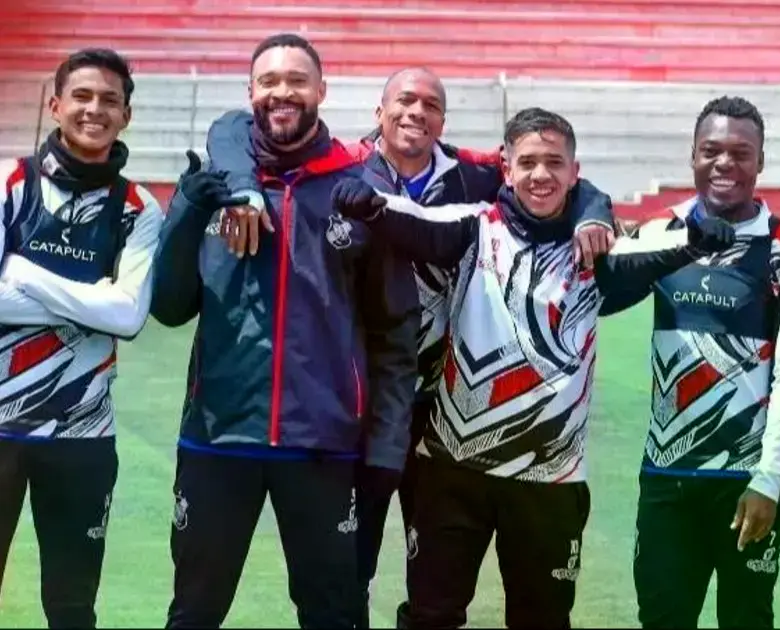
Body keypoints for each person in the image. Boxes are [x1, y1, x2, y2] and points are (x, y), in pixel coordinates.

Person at [202, 66, 615, 628]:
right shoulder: (345, 166)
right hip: (361, 405)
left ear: (443, 121)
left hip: (443, 416)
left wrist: (593, 211)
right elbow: (230, 130)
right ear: (379, 112)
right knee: (351, 564)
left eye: (430, 104)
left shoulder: (472, 179)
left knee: (434, 587)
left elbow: (564, 176)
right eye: (403, 100)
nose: (415, 113)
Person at [330, 106, 736, 629]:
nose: (540, 174)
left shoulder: (598, 252)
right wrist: (370, 206)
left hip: (550, 481)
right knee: (430, 616)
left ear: (574, 170)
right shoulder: (475, 228)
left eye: (553, 163)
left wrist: (701, 239)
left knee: (541, 620)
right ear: (507, 167)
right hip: (452, 471)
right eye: (527, 162)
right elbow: (416, 219)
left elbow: (658, 248)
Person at [150, 33, 415, 629]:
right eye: (269, 81)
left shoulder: (360, 191)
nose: (282, 92)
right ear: (251, 94)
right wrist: (192, 211)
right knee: (194, 612)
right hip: (218, 438)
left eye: (297, 80)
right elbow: (169, 307)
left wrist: (386, 444)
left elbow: (395, 333)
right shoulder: (214, 186)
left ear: (321, 90)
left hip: (322, 442)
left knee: (335, 614)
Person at [594, 96, 780, 629]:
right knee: (663, 618)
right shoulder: (659, 233)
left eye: (741, 153)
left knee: (746, 619)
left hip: (747, 482)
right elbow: (599, 291)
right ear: (692, 157)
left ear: (760, 162)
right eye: (711, 151)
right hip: (667, 477)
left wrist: (769, 479)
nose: (725, 164)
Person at [0, 47, 164, 629]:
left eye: (110, 101)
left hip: (82, 434)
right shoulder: (8, 183)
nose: (95, 109)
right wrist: (90, 296)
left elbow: (126, 316)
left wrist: (23, 273)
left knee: (71, 607)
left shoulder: (139, 209)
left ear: (127, 115)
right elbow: (107, 305)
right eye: (82, 96)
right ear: (55, 105)